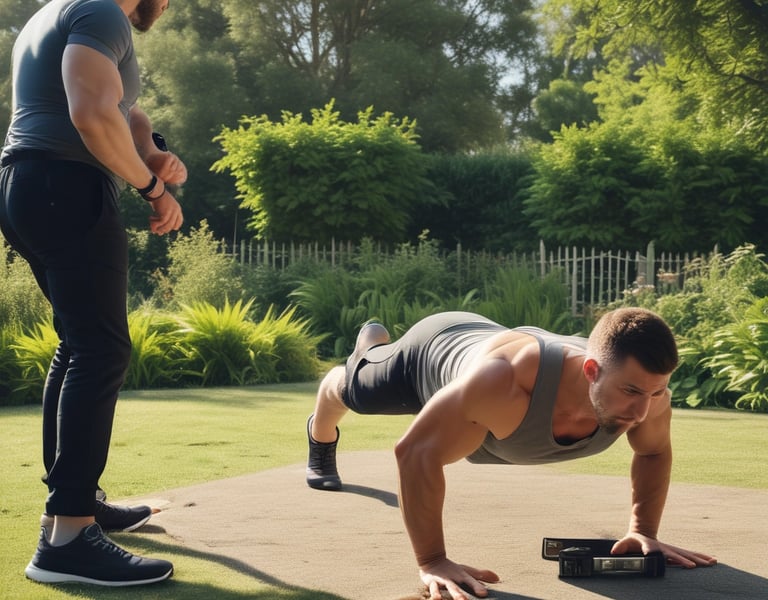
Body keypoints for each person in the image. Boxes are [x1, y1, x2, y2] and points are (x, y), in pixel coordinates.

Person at [306, 309, 717, 600]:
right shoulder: (501, 384)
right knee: (356, 392)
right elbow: (414, 451)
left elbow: (654, 452)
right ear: (592, 372)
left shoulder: (645, 391)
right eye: (631, 392)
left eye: (657, 392)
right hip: (432, 350)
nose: (643, 411)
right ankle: (362, 360)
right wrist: (432, 560)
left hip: (497, 344)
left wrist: (643, 529)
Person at [0, 0, 185, 587]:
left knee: (78, 346)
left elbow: (122, 107)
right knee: (102, 350)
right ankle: (68, 535)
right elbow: (90, 113)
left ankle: (76, 500)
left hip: (29, 183)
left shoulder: (61, 12)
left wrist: (148, 144)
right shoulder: (101, 11)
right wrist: (153, 186)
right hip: (65, 184)